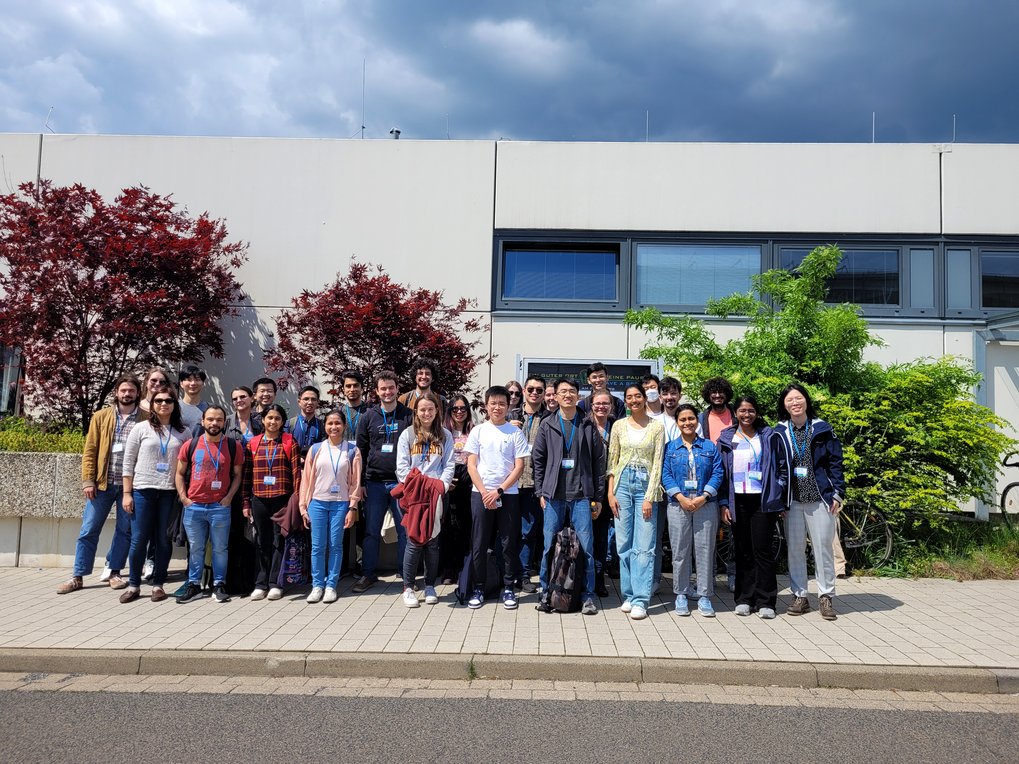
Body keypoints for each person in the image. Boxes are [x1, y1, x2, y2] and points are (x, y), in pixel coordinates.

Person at [57, 375, 144, 594]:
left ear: (137, 393)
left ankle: (114, 572)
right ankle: (78, 575)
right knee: (89, 529)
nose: (127, 394)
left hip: (129, 487)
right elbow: (90, 450)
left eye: (131, 391)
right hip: (102, 484)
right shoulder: (101, 416)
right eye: (123, 390)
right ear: (116, 392)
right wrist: (88, 480)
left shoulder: (145, 418)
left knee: (125, 531)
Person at [532, 378, 605, 615]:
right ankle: (546, 592)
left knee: (586, 548)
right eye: (563, 391)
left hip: (582, 496)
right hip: (553, 496)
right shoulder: (547, 424)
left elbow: (598, 462)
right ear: (556, 396)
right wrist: (540, 491)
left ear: (577, 395)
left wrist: (598, 497)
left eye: (572, 391)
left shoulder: (587, 423)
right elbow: (538, 461)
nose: (567, 395)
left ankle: (587, 596)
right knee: (547, 547)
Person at [774, 383, 845, 621]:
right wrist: (779, 500)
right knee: (794, 549)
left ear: (806, 400)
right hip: (792, 502)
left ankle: (826, 596)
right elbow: (776, 467)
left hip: (820, 499)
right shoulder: (780, 431)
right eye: (789, 400)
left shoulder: (822, 428)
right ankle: (800, 596)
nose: (795, 403)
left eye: (799, 398)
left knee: (822, 549)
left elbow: (836, 463)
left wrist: (837, 493)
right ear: (784, 405)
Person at [717, 395, 786, 620]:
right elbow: (722, 473)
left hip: (762, 500)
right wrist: (724, 503)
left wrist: (779, 492)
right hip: (737, 499)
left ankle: (766, 601)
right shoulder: (726, 437)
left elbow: (782, 466)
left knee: (763, 550)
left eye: (751, 411)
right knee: (742, 550)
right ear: (735, 413)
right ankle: (744, 598)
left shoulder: (769, 435)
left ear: (757, 413)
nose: (747, 415)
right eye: (742, 411)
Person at [464, 385, 530, 609]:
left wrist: (499, 490)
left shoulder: (515, 433)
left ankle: (509, 587)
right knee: (479, 543)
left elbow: (519, 466)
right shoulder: (478, 431)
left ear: (508, 405)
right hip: (480, 494)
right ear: (486, 406)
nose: (498, 407)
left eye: (502, 403)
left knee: (509, 542)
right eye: (493, 403)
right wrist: (485, 492)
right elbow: (471, 464)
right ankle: (479, 587)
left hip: (508, 494)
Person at [120, 388, 189, 603]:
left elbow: (187, 465)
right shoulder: (141, 428)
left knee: (163, 539)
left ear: (174, 405)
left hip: (169, 492)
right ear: (153, 404)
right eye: (158, 400)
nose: (163, 404)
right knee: (139, 539)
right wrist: (127, 493)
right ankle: (133, 585)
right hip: (143, 490)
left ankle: (158, 584)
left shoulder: (183, 432)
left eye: (169, 400)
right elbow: (128, 462)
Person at [606, 384, 666, 621]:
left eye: (637, 396)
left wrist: (650, 496)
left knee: (644, 544)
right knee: (623, 544)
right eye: (629, 397)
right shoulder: (619, 425)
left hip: (645, 488)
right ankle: (629, 594)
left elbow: (658, 462)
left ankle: (641, 599)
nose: (633, 400)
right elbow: (612, 461)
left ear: (645, 398)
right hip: (621, 485)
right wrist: (610, 493)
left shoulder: (656, 427)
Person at [174, 406, 244, 604]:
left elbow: (238, 475)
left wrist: (229, 497)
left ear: (224, 422)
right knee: (196, 548)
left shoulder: (233, 445)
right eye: (211, 419)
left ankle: (219, 584)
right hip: (194, 506)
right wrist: (184, 498)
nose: (215, 423)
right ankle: (194, 584)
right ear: (202, 421)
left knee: (220, 548)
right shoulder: (191, 444)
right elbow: (179, 473)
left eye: (219, 420)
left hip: (220, 507)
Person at [353, 370, 414, 592]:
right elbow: (360, 451)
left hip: (401, 483)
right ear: (377, 391)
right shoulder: (368, 416)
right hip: (374, 483)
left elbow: (415, 448)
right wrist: (359, 483)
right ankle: (368, 575)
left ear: (397, 389)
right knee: (371, 531)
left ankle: (406, 577)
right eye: (383, 388)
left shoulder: (408, 415)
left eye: (391, 388)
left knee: (404, 531)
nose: (387, 392)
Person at [663, 403, 725, 617]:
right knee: (680, 551)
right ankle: (681, 593)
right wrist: (680, 497)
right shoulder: (670, 447)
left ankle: (705, 595)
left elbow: (718, 473)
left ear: (697, 422)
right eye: (683, 420)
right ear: (677, 423)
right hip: (677, 504)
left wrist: (704, 496)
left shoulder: (709, 447)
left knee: (705, 550)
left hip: (705, 504)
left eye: (691, 419)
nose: (687, 423)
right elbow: (666, 475)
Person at [395, 393, 455, 607]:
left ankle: (430, 585)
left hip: (436, 495)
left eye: (431, 409)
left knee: (433, 541)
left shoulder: (445, 435)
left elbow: (449, 465)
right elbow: (401, 468)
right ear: (416, 412)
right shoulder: (407, 435)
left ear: (437, 411)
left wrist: (441, 487)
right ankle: (409, 587)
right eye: (422, 410)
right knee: (414, 541)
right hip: (413, 495)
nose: (427, 413)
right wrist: (419, 485)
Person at [298, 409, 362, 603]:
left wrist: (352, 507)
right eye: (330, 423)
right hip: (317, 503)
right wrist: (303, 507)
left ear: (344, 426)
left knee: (335, 546)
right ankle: (317, 585)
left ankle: (331, 585)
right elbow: (306, 480)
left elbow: (355, 483)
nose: (334, 427)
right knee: (317, 546)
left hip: (340, 504)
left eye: (337, 423)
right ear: (324, 426)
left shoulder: (352, 450)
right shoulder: (316, 449)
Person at [242, 403, 301, 601]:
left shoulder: (289, 442)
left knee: (279, 540)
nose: (273, 421)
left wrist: (297, 499)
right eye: (269, 418)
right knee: (261, 541)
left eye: (277, 418)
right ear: (263, 420)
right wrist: (245, 503)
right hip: (259, 498)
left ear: (282, 421)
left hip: (282, 498)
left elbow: (296, 474)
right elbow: (247, 476)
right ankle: (260, 583)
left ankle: (276, 583)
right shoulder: (253, 443)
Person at [508, 374, 549, 592]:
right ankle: (507, 574)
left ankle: (523, 575)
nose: (534, 393)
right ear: (524, 390)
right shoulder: (509, 414)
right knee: (507, 531)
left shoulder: (550, 418)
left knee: (528, 532)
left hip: (535, 483)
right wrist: (506, 426)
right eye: (531, 389)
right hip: (509, 484)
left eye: (539, 390)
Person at [644, 373, 678, 595]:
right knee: (653, 537)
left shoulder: (685, 418)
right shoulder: (649, 420)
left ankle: (682, 584)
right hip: (653, 487)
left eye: (672, 392)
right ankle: (653, 579)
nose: (667, 396)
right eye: (664, 392)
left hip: (678, 488)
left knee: (679, 538)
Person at [586, 389, 616, 597]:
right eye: (597, 403)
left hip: (610, 487)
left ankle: (598, 579)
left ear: (611, 406)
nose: (601, 407)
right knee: (585, 535)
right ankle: (583, 577)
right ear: (591, 405)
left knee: (601, 537)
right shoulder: (584, 426)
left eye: (605, 403)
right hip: (587, 488)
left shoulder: (617, 427)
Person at [442, 393, 475, 582]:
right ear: (450, 411)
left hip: (468, 480)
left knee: (465, 525)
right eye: (455, 409)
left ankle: (464, 567)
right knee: (448, 526)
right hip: (449, 479)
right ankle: (448, 568)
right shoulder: (443, 431)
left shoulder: (474, 431)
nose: (459, 412)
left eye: (463, 408)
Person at [286, 385, 326, 460]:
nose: (310, 402)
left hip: (314, 466)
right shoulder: (289, 424)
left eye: (313, 399)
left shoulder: (322, 425)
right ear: (299, 402)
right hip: (294, 466)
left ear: (318, 402)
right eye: (306, 399)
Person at [699, 377, 736, 443]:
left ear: (727, 394)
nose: (717, 395)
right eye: (713, 392)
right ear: (708, 395)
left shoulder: (736, 415)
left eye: (721, 392)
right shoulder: (700, 419)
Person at [178, 364, 209, 432]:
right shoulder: (174, 407)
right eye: (189, 379)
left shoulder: (209, 408)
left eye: (197, 379)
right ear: (181, 383)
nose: (193, 383)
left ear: (203, 383)